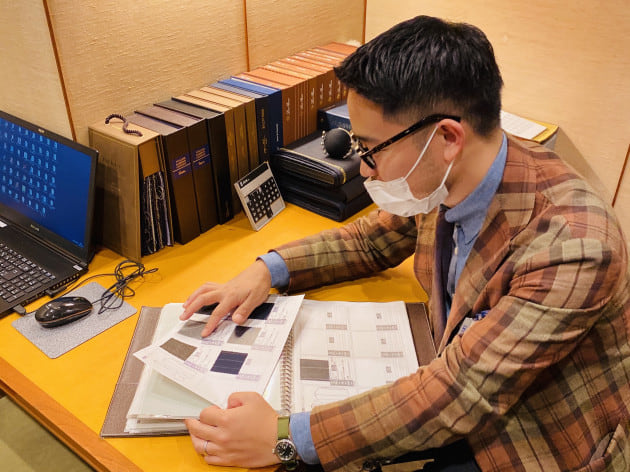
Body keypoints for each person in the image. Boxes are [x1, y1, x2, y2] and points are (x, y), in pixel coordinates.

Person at [181, 15, 630, 472]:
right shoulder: (450, 174)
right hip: (457, 386)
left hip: (536, 435)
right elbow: (370, 241)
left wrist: (284, 437)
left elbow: (460, 393)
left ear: (447, 137)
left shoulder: (575, 243)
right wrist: (267, 270)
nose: (364, 168)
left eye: (371, 148)